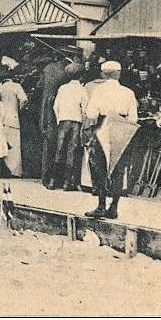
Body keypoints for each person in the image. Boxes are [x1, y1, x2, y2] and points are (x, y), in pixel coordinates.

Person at [83, 61, 138, 219]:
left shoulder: (99, 90)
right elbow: (133, 117)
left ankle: (101, 205)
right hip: (121, 130)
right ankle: (114, 207)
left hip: (103, 129)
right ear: (119, 74)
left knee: (100, 168)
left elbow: (91, 113)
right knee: (118, 170)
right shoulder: (128, 92)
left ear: (103, 74)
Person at [36, 52, 73, 185]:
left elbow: (40, 86)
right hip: (61, 112)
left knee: (49, 145)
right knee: (63, 147)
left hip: (47, 110)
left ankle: (45, 177)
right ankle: (59, 179)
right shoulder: (68, 71)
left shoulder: (48, 68)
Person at [51, 63, 89, 191]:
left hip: (63, 121)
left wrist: (59, 120)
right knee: (72, 151)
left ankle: (53, 181)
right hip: (76, 122)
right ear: (81, 76)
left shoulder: (62, 88)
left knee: (59, 149)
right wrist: (83, 124)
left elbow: (55, 106)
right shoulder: (83, 90)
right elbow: (85, 109)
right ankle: (67, 183)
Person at [0, 69, 27, 177]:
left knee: (1, 145)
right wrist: (19, 109)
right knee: (14, 146)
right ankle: (14, 171)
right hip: (13, 119)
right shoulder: (16, 86)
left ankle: (1, 169)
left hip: (0, 119)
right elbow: (24, 99)